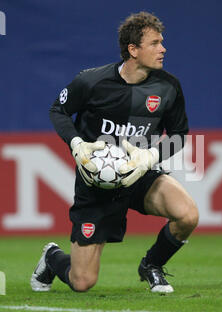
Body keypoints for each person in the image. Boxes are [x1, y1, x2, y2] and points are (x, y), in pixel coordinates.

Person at [31, 11, 199, 294]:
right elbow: (58, 110)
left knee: (188, 215)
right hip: (98, 183)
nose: (163, 49)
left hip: (139, 173)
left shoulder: (168, 87)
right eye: (155, 43)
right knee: (82, 282)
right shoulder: (92, 81)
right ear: (133, 50)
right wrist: (76, 143)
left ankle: (151, 265)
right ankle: (52, 257)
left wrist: (151, 157)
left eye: (162, 42)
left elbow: (180, 136)